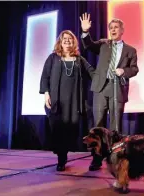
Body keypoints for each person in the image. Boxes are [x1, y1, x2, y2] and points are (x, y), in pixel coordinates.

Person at [80, 13, 139, 171]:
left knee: (115, 128)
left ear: (122, 30)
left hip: (117, 90)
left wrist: (123, 71)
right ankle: (96, 160)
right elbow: (89, 45)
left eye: (116, 28)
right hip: (100, 89)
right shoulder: (103, 44)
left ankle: (116, 159)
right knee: (97, 126)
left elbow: (134, 69)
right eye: (111, 28)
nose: (113, 30)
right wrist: (85, 32)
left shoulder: (130, 50)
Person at [39, 30, 95, 171]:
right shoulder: (52, 58)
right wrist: (46, 93)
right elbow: (45, 76)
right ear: (60, 41)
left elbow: (92, 72)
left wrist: (108, 75)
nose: (67, 41)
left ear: (74, 42)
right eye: (64, 39)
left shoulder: (79, 59)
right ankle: (61, 159)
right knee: (58, 130)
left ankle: (65, 155)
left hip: (74, 102)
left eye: (70, 39)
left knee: (71, 130)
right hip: (57, 101)